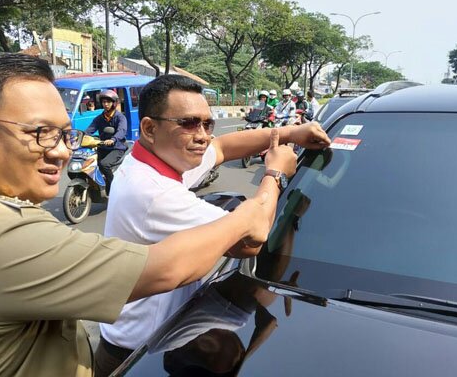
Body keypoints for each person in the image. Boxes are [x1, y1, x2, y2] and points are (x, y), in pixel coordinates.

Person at [0, 53, 291, 377]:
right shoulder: (0, 237)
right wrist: (269, 181)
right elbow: (166, 268)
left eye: (64, 134)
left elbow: (220, 148)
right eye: (40, 133)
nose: (60, 151)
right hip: (136, 344)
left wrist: (289, 135)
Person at [94, 74, 331, 376]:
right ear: (150, 128)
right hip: (137, 356)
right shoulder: (154, 193)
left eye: (207, 124)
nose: (203, 135)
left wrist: (291, 133)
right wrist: (275, 174)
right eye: (190, 123)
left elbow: (221, 148)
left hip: (156, 338)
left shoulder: (153, 159)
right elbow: (251, 239)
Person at [84, 89, 127, 196]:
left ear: (114, 103)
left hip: (117, 147)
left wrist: (113, 139)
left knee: (104, 165)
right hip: (102, 147)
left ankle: (113, 188)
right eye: (104, 102)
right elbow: (89, 130)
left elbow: (122, 130)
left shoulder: (120, 117)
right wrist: (78, 137)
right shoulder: (100, 118)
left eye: (108, 102)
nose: (106, 104)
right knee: (89, 162)